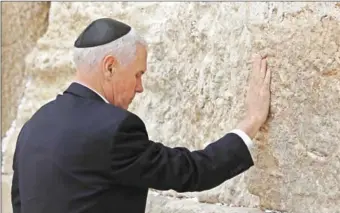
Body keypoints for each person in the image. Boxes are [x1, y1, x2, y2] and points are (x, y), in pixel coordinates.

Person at [11, 18, 271, 213]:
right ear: (110, 66)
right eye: (138, 74)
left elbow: (20, 204)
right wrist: (251, 122)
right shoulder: (115, 129)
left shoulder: (33, 126)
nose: (140, 87)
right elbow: (189, 171)